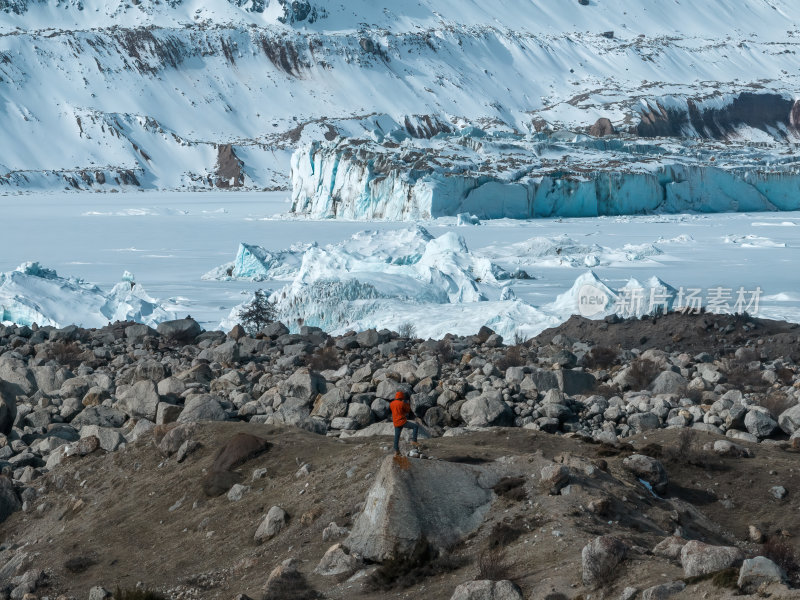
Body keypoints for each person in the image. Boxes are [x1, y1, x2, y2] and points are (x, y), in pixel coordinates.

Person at [390, 390, 419, 456]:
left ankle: (396, 451)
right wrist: (406, 403)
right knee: (415, 426)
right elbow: (407, 410)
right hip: (402, 421)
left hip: (396, 422)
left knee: (396, 437)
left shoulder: (391, 403)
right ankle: (414, 441)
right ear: (401, 397)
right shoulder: (402, 403)